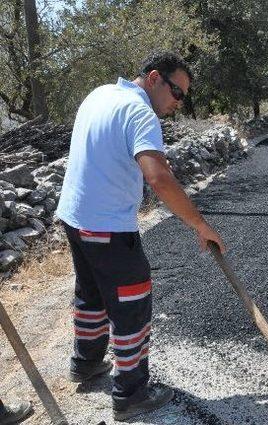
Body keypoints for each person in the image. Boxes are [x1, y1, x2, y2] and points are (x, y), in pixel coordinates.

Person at [56, 51, 226, 421]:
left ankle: (84, 364)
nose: (178, 104)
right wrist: (200, 224)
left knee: (91, 294)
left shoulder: (99, 94)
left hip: (74, 218)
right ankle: (130, 394)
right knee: (131, 307)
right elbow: (159, 177)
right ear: (153, 78)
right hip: (108, 228)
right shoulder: (140, 113)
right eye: (177, 93)